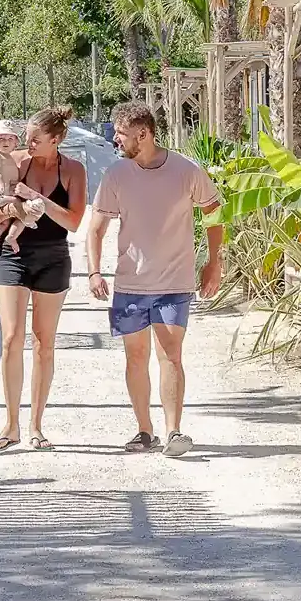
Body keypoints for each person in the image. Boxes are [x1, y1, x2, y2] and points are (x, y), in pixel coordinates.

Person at [85, 101, 223, 456]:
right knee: (135, 357)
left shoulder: (186, 171)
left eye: (121, 134)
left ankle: (174, 431)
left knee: (171, 355)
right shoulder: (116, 174)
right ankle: (144, 431)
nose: (116, 140)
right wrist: (95, 271)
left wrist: (214, 261)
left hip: (174, 284)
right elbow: (96, 228)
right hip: (130, 285)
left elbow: (213, 212)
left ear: (143, 134)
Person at [0, 105, 86, 452]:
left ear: (56, 140)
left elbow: (73, 222)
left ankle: (36, 426)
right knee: (11, 338)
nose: (27, 143)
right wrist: (16, 209)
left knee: (44, 344)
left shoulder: (72, 170)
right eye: (26, 136)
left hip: (54, 257)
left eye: (36, 139)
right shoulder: (14, 161)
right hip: (13, 255)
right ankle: (10, 425)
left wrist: (36, 198)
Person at [0, 118, 32, 256]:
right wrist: (3, 188)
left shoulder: (9, 157)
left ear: (15, 143)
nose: (6, 142)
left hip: (7, 193)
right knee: (19, 207)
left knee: (5, 222)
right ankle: (26, 221)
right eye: (1, 138)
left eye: (10, 138)